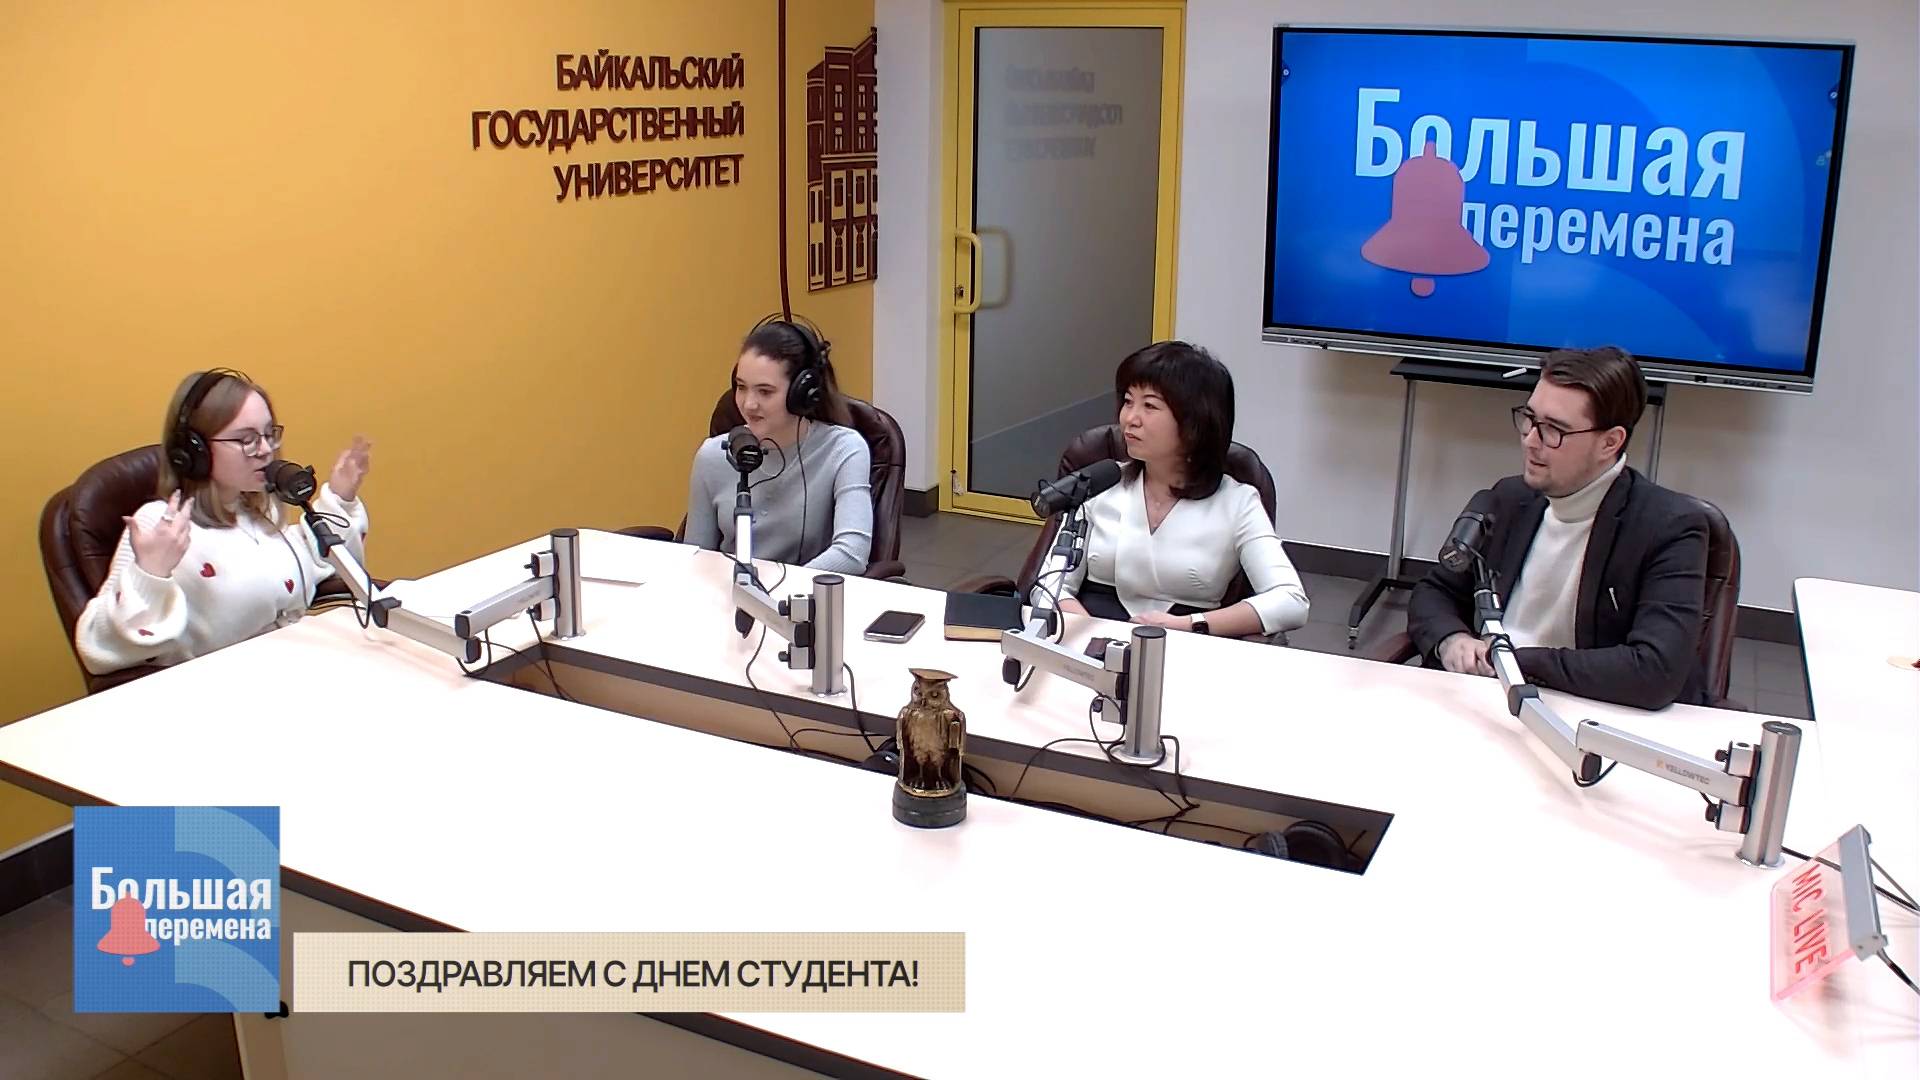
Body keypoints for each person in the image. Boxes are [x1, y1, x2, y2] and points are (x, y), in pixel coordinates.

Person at [1407, 346, 1711, 710]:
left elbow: (1655, 670)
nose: (1530, 440)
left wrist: (1514, 660)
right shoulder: (1508, 499)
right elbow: (1435, 591)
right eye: (1529, 419)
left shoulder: (1669, 526)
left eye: (1553, 429)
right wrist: (1452, 639)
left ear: (1610, 442)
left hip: (1587, 711)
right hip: (1485, 699)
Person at [76, 368, 374, 675]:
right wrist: (150, 573)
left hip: (295, 666)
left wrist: (339, 498)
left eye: (269, 434)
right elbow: (95, 647)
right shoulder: (160, 525)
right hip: (222, 686)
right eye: (247, 439)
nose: (265, 450)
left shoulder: (258, 513)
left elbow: (315, 565)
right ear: (196, 451)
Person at [1040, 341, 1309, 638]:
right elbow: (1049, 585)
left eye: (1149, 406)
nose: (1130, 418)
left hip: (1186, 643)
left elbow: (1291, 601)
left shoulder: (1237, 502)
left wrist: (1190, 624)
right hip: (1084, 635)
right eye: (1128, 401)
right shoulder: (1100, 483)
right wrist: (1094, 636)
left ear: (1195, 422)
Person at [683, 317, 873, 574]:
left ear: (802, 393)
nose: (749, 404)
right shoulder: (712, 455)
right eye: (741, 387)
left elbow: (852, 553)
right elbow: (696, 557)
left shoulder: (843, 450)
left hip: (805, 595)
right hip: (728, 592)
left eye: (765, 391)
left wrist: (779, 590)